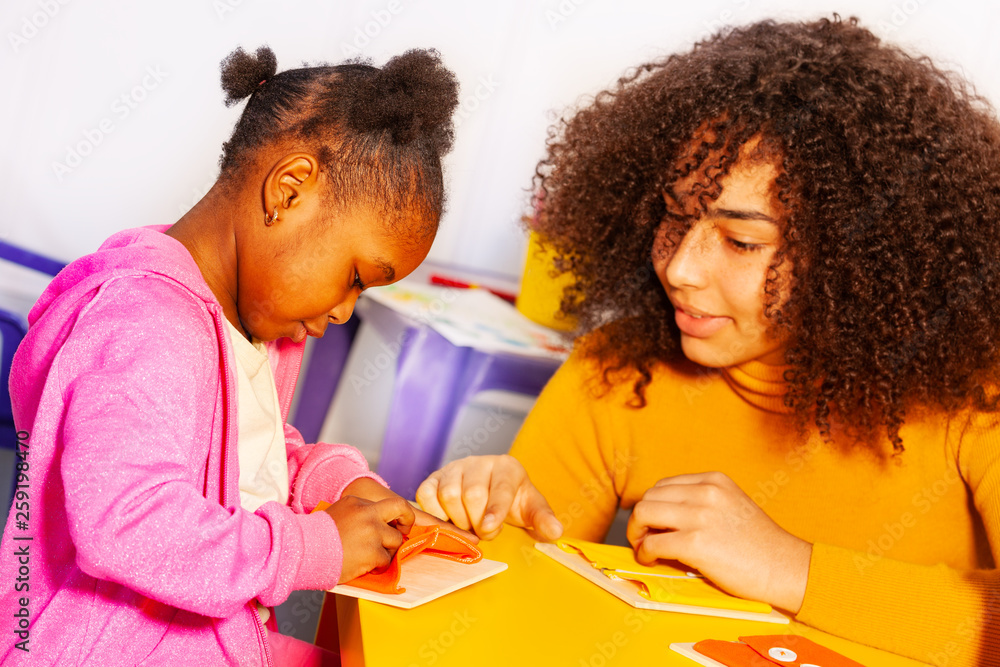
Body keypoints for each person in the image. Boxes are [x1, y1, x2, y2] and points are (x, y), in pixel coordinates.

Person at [417, 16, 1000, 666]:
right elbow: (503, 608)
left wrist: (788, 566)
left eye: (742, 241)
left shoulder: (978, 397)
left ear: (858, 257)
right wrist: (484, 512)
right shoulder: (620, 370)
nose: (679, 268)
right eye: (674, 214)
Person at [1, 45, 461, 665]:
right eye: (355, 276)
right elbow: (126, 524)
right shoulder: (146, 325)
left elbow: (244, 458)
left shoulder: (246, 323)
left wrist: (339, 481)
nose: (347, 310)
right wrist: (307, 548)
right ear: (290, 191)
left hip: (198, 636)